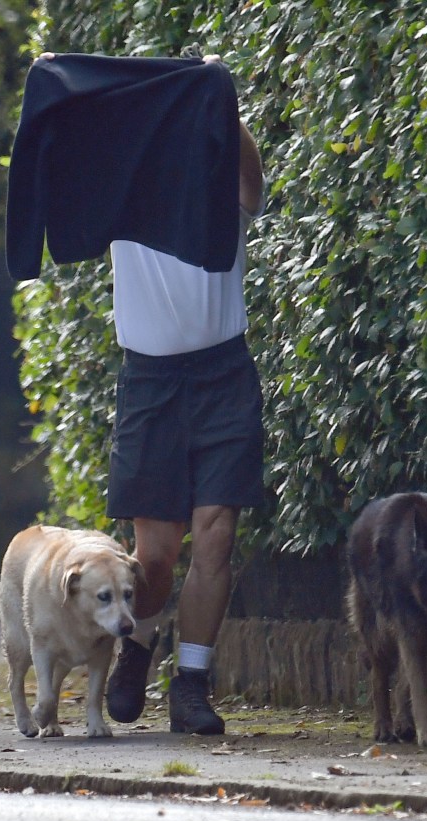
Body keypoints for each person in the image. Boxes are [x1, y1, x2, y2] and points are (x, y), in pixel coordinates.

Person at [102, 53, 265, 735]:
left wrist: (226, 108)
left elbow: (254, 190)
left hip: (224, 373)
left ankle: (192, 685)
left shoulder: (219, 179)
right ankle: (136, 649)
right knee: (157, 556)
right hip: (151, 380)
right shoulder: (122, 187)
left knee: (217, 537)